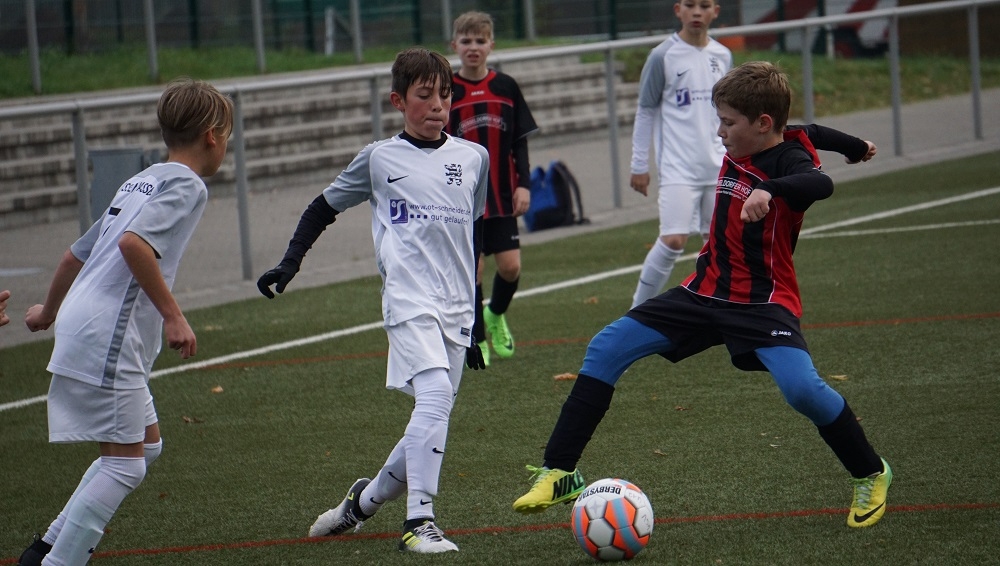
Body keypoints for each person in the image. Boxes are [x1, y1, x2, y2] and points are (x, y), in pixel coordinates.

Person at [512, 61, 892, 529]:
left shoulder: (790, 162)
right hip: (704, 291)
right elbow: (813, 130)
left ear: (763, 123)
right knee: (606, 347)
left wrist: (769, 191)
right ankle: (560, 471)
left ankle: (871, 472)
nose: (719, 132)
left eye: (728, 123)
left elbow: (821, 182)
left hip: (761, 302)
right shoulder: (772, 134)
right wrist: (856, 146)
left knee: (802, 391)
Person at [256, 47, 489, 554]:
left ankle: (360, 504)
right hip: (407, 300)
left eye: (445, 95)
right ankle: (419, 522)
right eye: (424, 96)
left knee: (433, 418)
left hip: (456, 308)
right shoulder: (379, 158)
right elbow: (322, 207)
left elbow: (471, 238)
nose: (437, 105)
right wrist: (291, 261)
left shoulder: (474, 159)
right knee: (433, 399)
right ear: (398, 101)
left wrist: (478, 313)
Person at [17, 78, 233, 566]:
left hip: (84, 320)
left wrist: (47, 312)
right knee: (125, 466)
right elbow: (133, 244)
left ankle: (47, 546)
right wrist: (174, 316)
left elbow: (75, 254)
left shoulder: (143, 179)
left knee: (146, 447)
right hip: (108, 333)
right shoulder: (187, 184)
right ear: (212, 137)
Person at [446, 11, 539, 365]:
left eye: (480, 41)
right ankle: (478, 338)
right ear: (454, 45)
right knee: (474, 271)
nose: (473, 47)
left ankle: (495, 314)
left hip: (501, 195)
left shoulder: (506, 86)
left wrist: (524, 185)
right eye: (466, 41)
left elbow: (519, 141)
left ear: (491, 45)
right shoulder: (448, 90)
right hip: (463, 198)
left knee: (511, 267)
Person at [628, 0, 732, 308]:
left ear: (716, 11)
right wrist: (638, 164)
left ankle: (719, 310)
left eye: (704, 5)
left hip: (717, 165)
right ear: (678, 10)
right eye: (690, 5)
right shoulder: (662, 55)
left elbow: (729, 113)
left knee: (718, 245)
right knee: (673, 240)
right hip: (678, 168)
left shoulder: (723, 55)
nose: (697, 12)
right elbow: (645, 110)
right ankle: (637, 311)